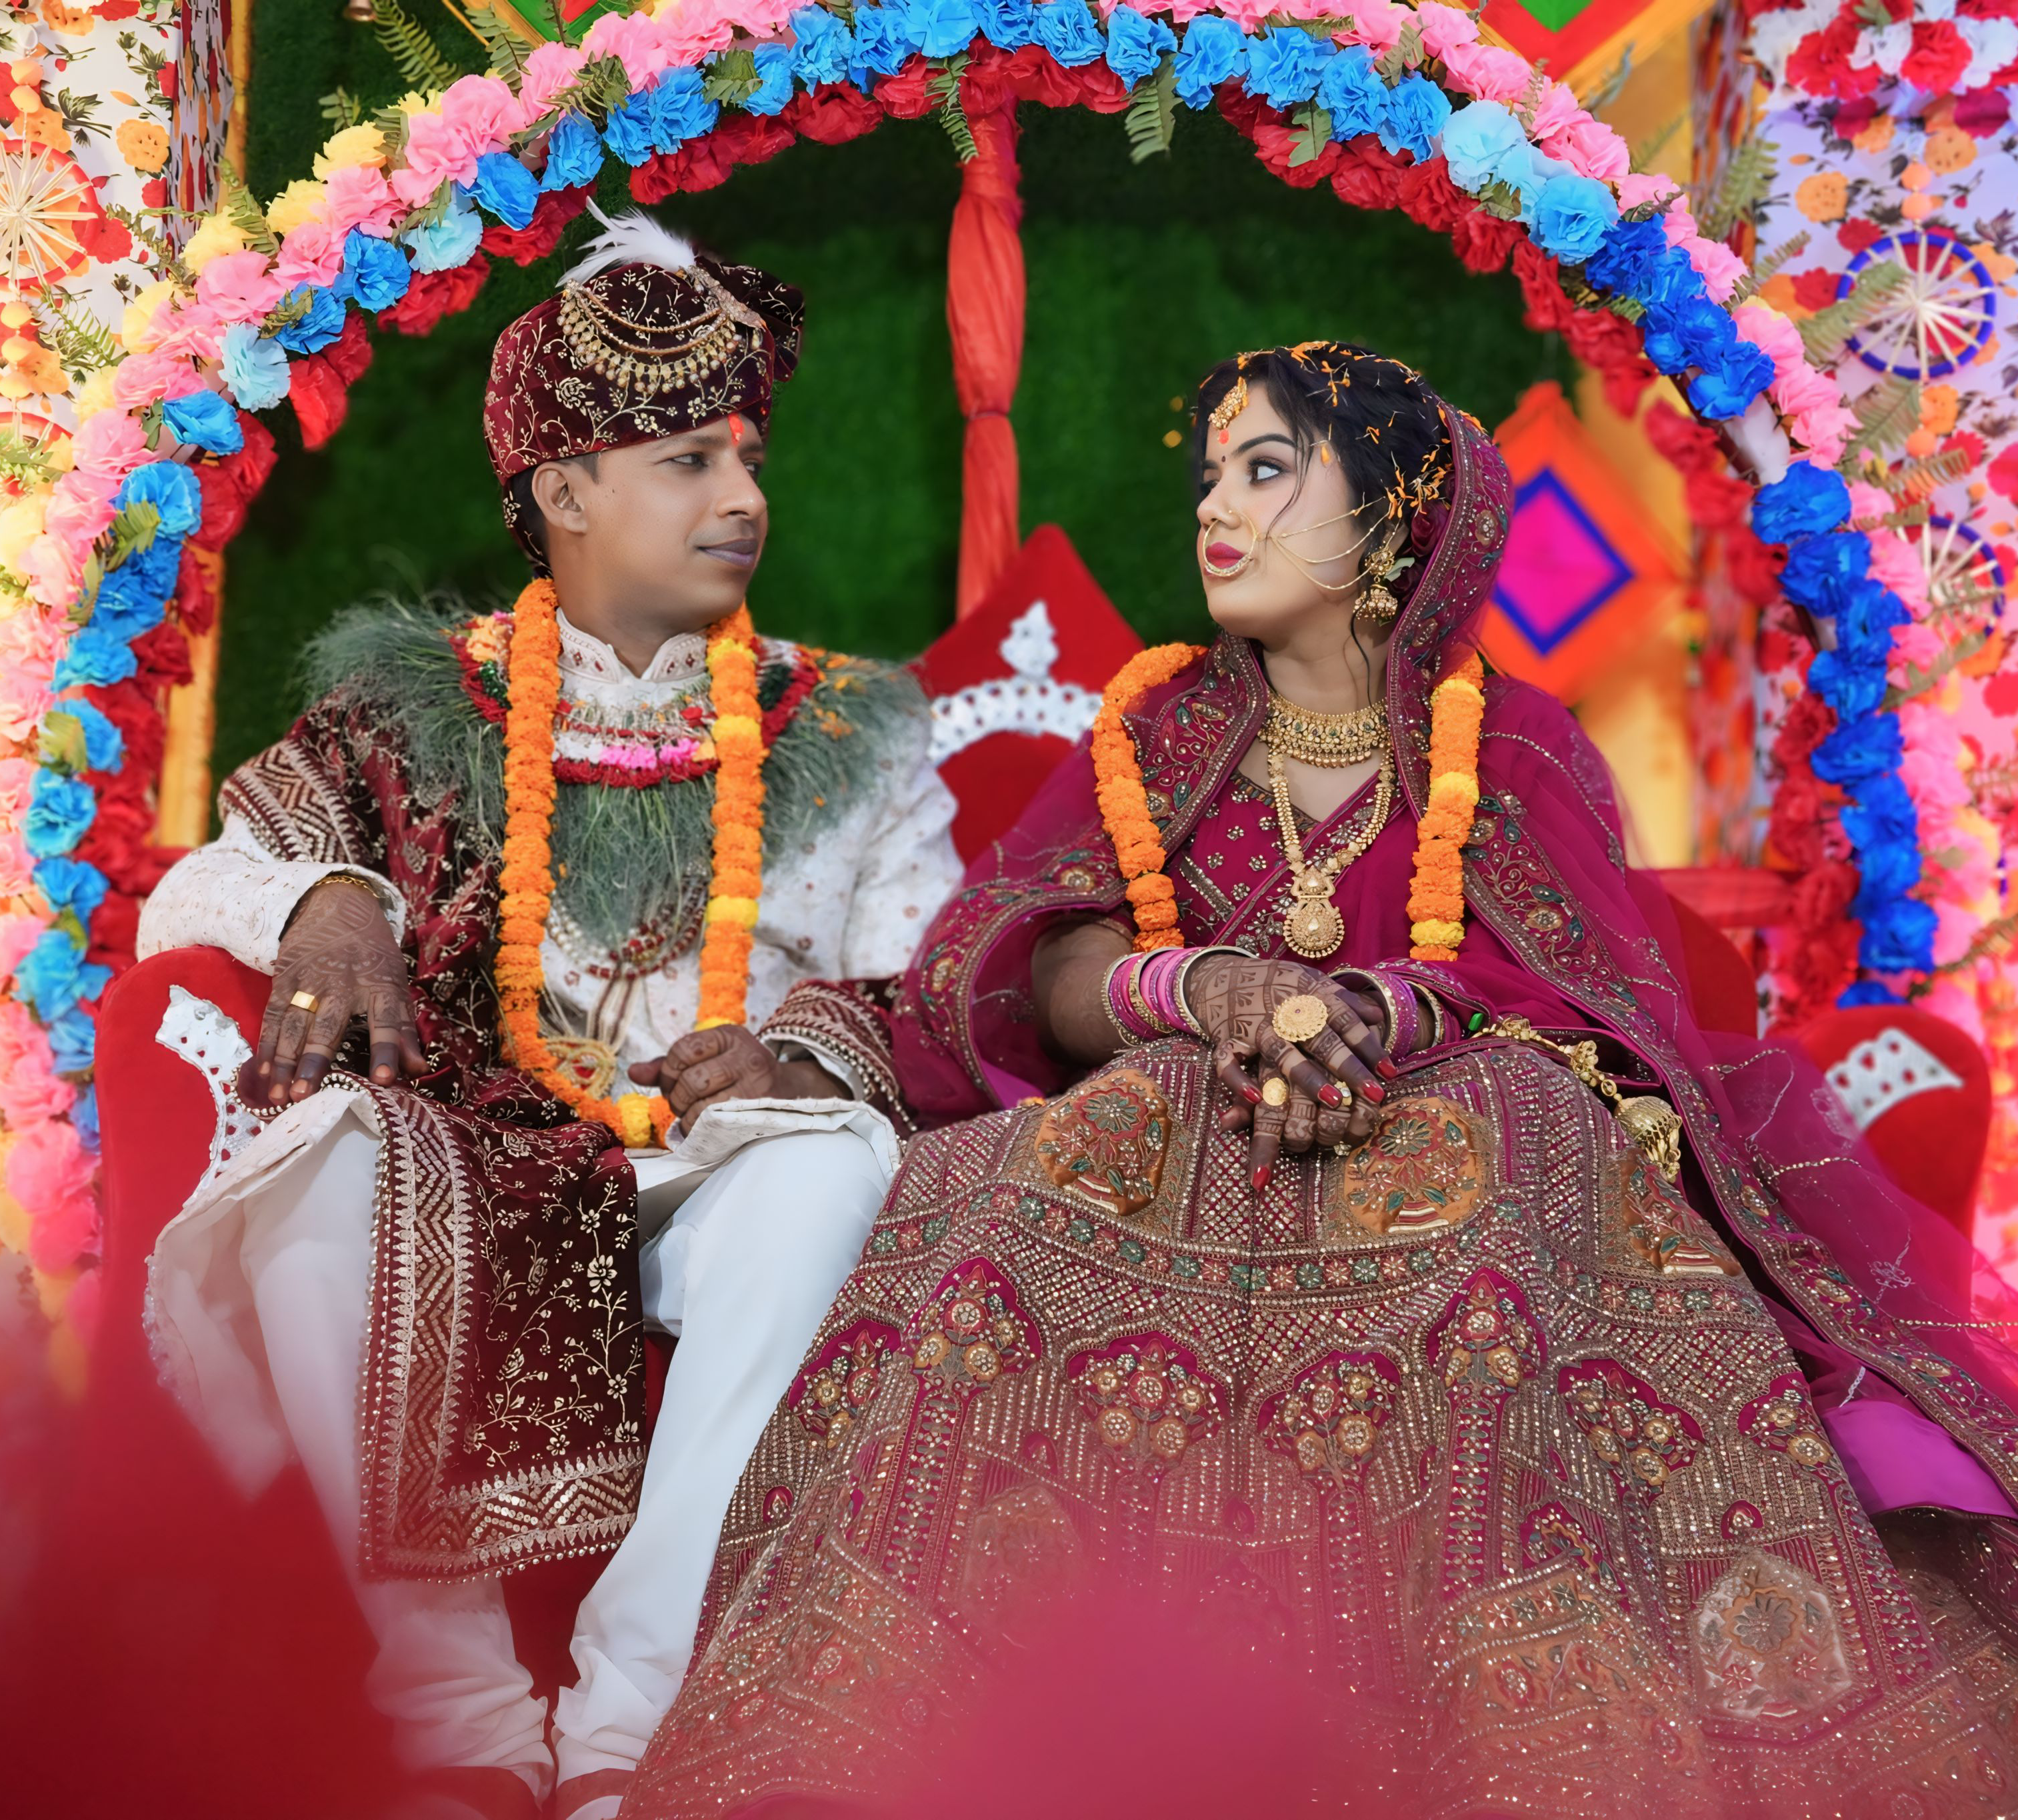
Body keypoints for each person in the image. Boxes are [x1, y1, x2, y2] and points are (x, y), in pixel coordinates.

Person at [621, 345, 2018, 1819]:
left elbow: (1592, 1004)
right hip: (1182, 1128)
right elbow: (1025, 955)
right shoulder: (1154, 733)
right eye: (1212, 476)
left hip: (1451, 1131)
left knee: (1505, 1137)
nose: (1216, 510)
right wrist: (1205, 991)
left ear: (1395, 514)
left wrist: (1371, 1011)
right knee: (1074, 1151)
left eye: (1268, 469)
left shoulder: (1516, 744)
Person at [133, 210, 961, 1820]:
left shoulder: (850, 726)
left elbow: (922, 977)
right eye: (686, 460)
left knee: (831, 1170)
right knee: (314, 1155)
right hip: (474, 1150)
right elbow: (195, 892)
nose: (744, 498)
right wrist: (331, 900)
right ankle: (451, 1721)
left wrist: (800, 1054)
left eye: (749, 455)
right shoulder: (410, 699)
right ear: (563, 490)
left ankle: (631, 1729)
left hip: (717, 1166)